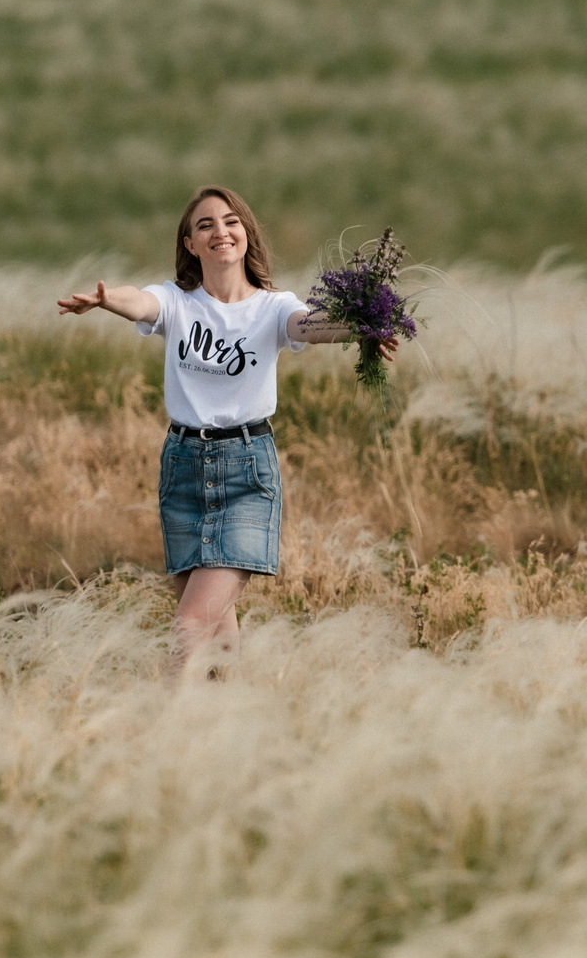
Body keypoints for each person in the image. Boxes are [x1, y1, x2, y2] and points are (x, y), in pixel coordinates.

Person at [55, 186, 388, 662]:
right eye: (205, 225)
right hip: (183, 469)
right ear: (190, 243)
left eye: (230, 221)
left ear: (246, 234)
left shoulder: (273, 308)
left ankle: (173, 728)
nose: (220, 232)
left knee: (191, 622)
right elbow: (140, 301)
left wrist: (365, 324)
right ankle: (230, 720)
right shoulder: (176, 301)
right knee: (217, 626)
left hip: (245, 470)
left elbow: (309, 326)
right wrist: (108, 301)